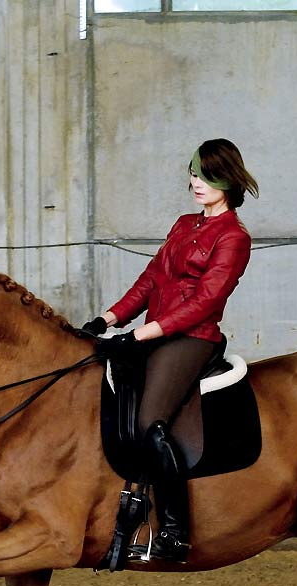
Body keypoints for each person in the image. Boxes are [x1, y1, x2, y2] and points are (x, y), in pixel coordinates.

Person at [81, 138, 258, 563]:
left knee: (149, 420)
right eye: (193, 173)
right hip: (156, 333)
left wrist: (143, 335)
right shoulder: (184, 224)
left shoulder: (233, 237)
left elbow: (206, 302)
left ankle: (175, 530)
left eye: (205, 175)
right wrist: (108, 318)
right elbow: (151, 279)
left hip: (192, 338)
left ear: (227, 179)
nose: (195, 182)